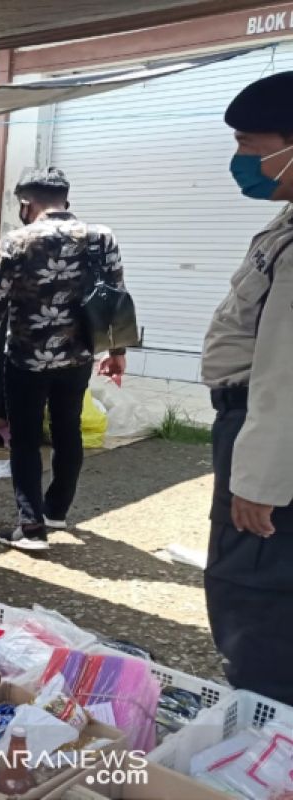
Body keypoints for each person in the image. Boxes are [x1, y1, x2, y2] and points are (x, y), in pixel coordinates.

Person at [0, 168, 127, 552]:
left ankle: (31, 526)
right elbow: (116, 294)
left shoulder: (17, 241)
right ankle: (56, 510)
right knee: (67, 429)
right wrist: (116, 351)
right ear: (66, 201)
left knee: (24, 440)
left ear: (27, 204)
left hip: (26, 358)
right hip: (77, 357)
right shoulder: (101, 236)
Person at [202, 71, 293, 706]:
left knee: (253, 588)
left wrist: (257, 481)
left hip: (264, 431)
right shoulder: (287, 219)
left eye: (250, 143)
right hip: (255, 423)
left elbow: (285, 374)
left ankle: (265, 724)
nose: (242, 159)